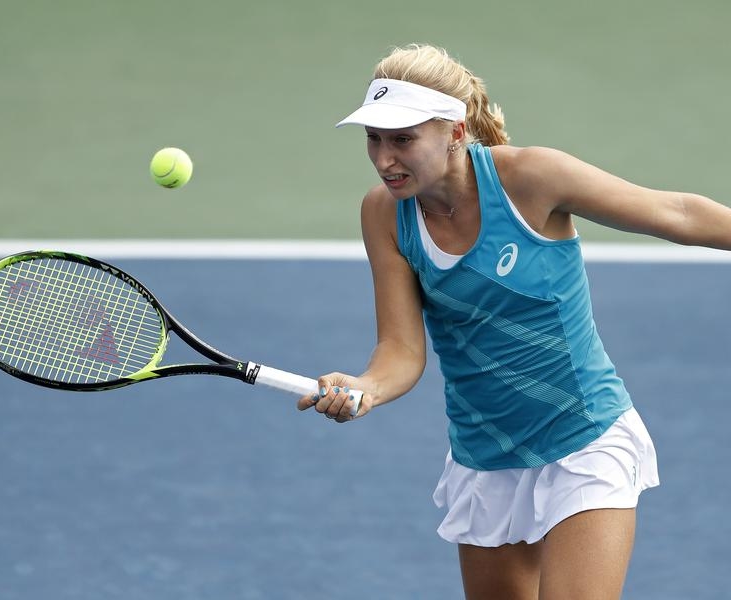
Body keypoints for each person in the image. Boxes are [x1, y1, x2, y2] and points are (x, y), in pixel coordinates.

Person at [296, 43, 731, 600]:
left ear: (455, 132)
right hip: (485, 456)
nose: (384, 159)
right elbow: (400, 348)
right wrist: (367, 387)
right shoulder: (382, 213)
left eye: (403, 139)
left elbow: (676, 213)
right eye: (374, 138)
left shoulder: (531, 177)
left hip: (584, 439)